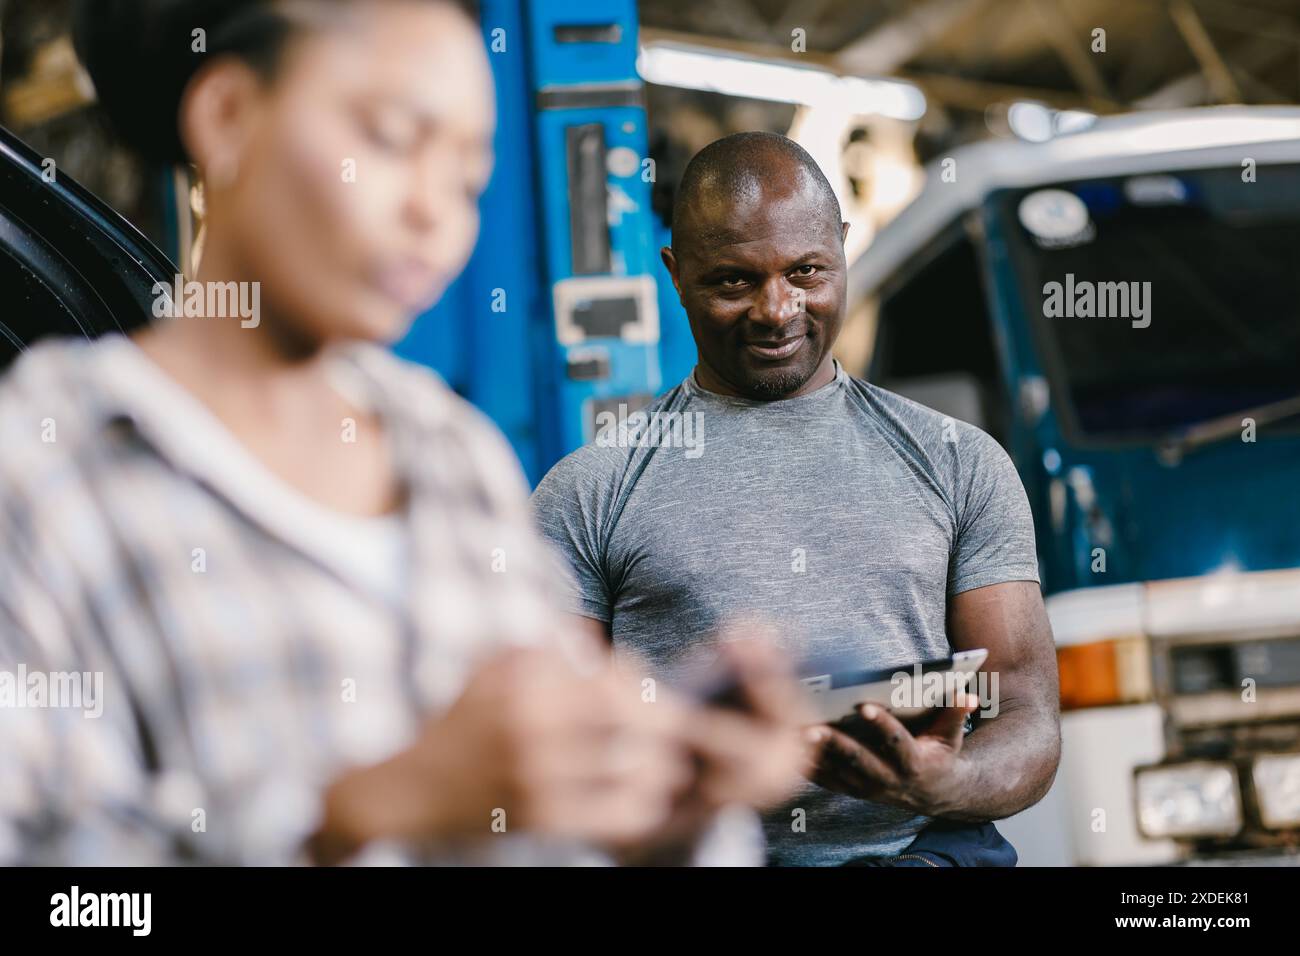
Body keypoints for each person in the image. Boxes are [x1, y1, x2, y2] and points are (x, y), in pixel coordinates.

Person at [0, 0, 808, 866]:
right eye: (391, 139)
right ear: (228, 117)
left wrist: (666, 808)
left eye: (466, 177)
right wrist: (362, 811)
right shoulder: (50, 463)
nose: (438, 214)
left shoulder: (453, 457)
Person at [532, 131, 1062, 866]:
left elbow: (1026, 710)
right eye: (733, 282)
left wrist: (947, 781)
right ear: (676, 274)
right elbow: (547, 741)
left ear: (842, 246)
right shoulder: (587, 492)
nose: (777, 311)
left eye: (807, 271)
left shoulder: (960, 463)